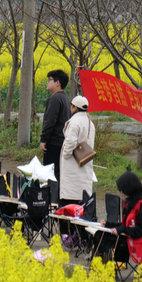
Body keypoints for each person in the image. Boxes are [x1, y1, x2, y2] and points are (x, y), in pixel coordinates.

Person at [58, 94, 98, 248]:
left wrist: (66, 154)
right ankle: (82, 238)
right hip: (85, 166)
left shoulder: (74, 122)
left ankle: (69, 238)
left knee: (68, 202)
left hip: (72, 169)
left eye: (71, 106)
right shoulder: (90, 123)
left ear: (74, 107)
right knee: (82, 201)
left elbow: (70, 142)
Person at [99, 171, 142, 265]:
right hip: (130, 236)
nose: (121, 192)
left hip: (140, 241)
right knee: (100, 233)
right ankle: (102, 265)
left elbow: (140, 230)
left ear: (130, 188)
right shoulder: (130, 202)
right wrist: (108, 224)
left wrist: (121, 229)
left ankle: (108, 267)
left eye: (123, 189)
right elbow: (125, 225)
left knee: (104, 238)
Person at [39, 69, 71, 183]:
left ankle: (52, 199)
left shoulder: (55, 98)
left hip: (53, 143)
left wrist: (43, 139)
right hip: (62, 142)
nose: (48, 82)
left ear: (58, 83)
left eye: (50, 80)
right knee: (58, 173)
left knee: (50, 174)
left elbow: (50, 121)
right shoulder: (65, 98)